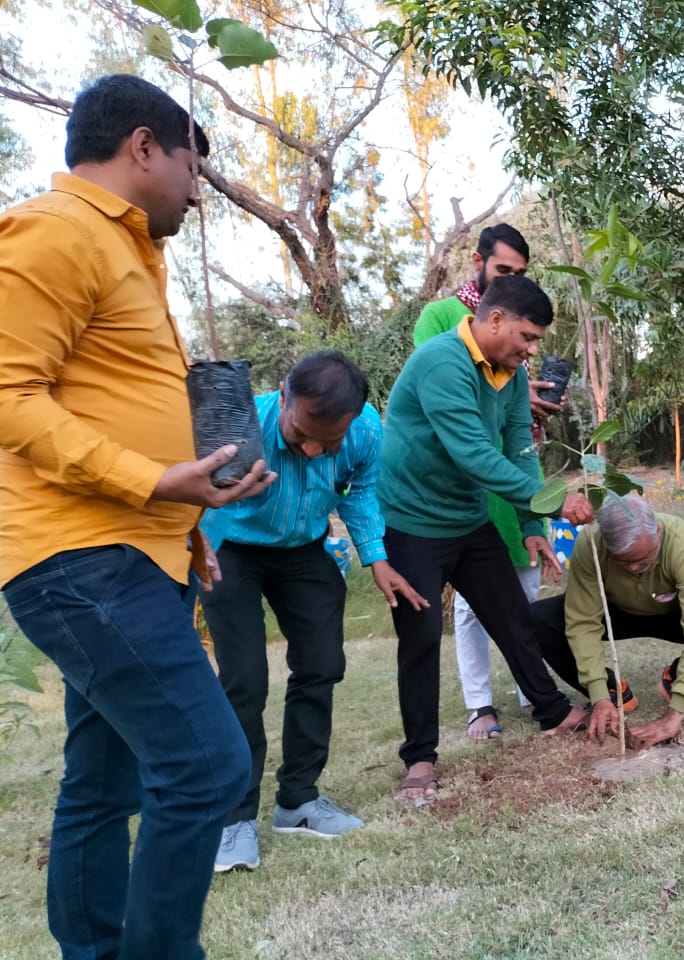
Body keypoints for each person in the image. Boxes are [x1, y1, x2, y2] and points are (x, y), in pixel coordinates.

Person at [0, 74, 276, 960]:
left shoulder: (126, 252)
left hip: (127, 556)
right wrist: (153, 483)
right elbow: (8, 393)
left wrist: (183, 522)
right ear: (145, 147)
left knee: (106, 776)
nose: (200, 189)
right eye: (194, 165)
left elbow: (105, 399)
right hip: (81, 562)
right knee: (207, 766)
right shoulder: (56, 231)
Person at [199, 351, 426, 873]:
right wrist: (197, 551)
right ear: (283, 397)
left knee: (323, 666)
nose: (311, 448)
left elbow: (361, 490)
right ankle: (234, 819)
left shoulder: (367, 431)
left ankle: (297, 801)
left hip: (304, 548)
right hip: (232, 549)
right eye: (301, 432)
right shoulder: (241, 424)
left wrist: (376, 557)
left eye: (329, 440)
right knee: (245, 681)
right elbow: (201, 498)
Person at [379, 274, 594, 804]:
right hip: (411, 523)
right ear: (494, 319)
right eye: (527, 336)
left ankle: (552, 713)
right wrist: (555, 501)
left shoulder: (512, 374)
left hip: (467, 518)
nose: (532, 350)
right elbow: (473, 453)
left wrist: (530, 525)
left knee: (512, 616)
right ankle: (420, 758)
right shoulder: (440, 362)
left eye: (537, 341)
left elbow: (518, 449)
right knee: (422, 636)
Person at [413, 223, 576, 740]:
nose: (509, 278)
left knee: (520, 593)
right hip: (456, 481)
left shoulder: (516, 359)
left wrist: (535, 514)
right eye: (504, 269)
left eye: (520, 273)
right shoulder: (441, 324)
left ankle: (536, 694)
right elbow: (451, 407)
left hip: (508, 477)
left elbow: (518, 443)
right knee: (469, 605)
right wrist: (552, 503)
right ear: (478, 264)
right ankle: (479, 704)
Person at [530, 494, 684, 749]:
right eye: (624, 561)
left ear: (658, 532)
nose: (634, 569)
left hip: (672, 613)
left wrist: (675, 713)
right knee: (538, 620)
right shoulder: (591, 543)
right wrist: (598, 697)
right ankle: (612, 694)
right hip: (615, 612)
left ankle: (674, 680)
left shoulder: (681, 541)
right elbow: (583, 622)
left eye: (644, 559)